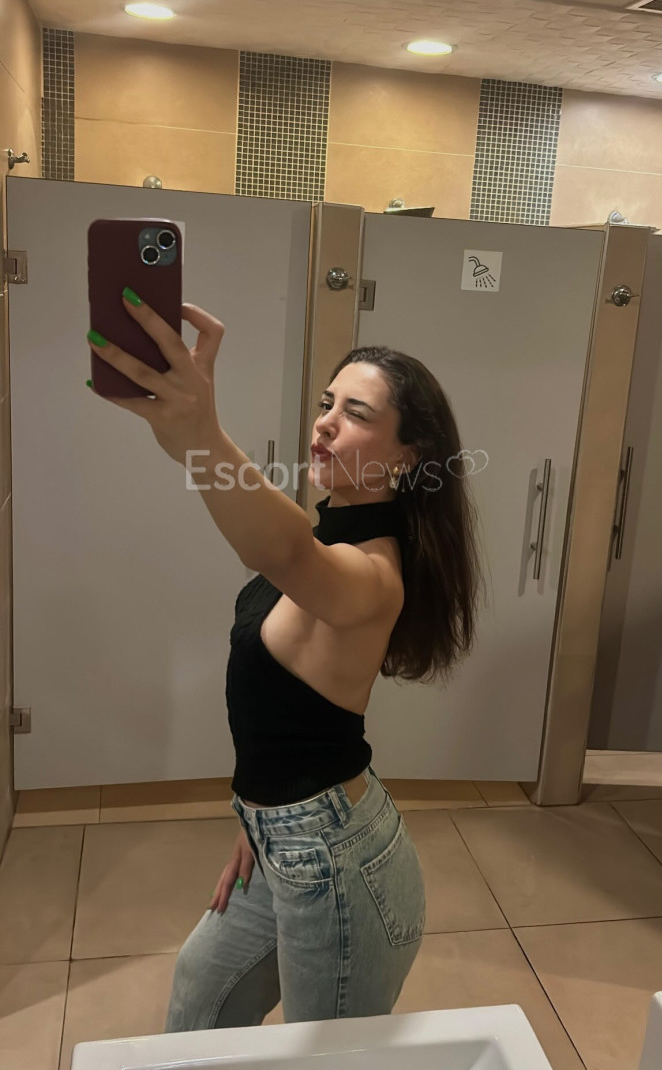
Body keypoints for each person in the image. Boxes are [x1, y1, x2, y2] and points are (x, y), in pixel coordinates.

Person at [87, 295, 483, 1030]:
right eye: (326, 403)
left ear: (408, 456)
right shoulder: (331, 531)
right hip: (285, 837)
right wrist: (258, 822)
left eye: (356, 414)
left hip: (334, 861)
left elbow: (281, 549)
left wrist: (201, 433)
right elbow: (280, 537)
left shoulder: (372, 573)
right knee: (197, 1009)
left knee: (321, 1058)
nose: (325, 422)